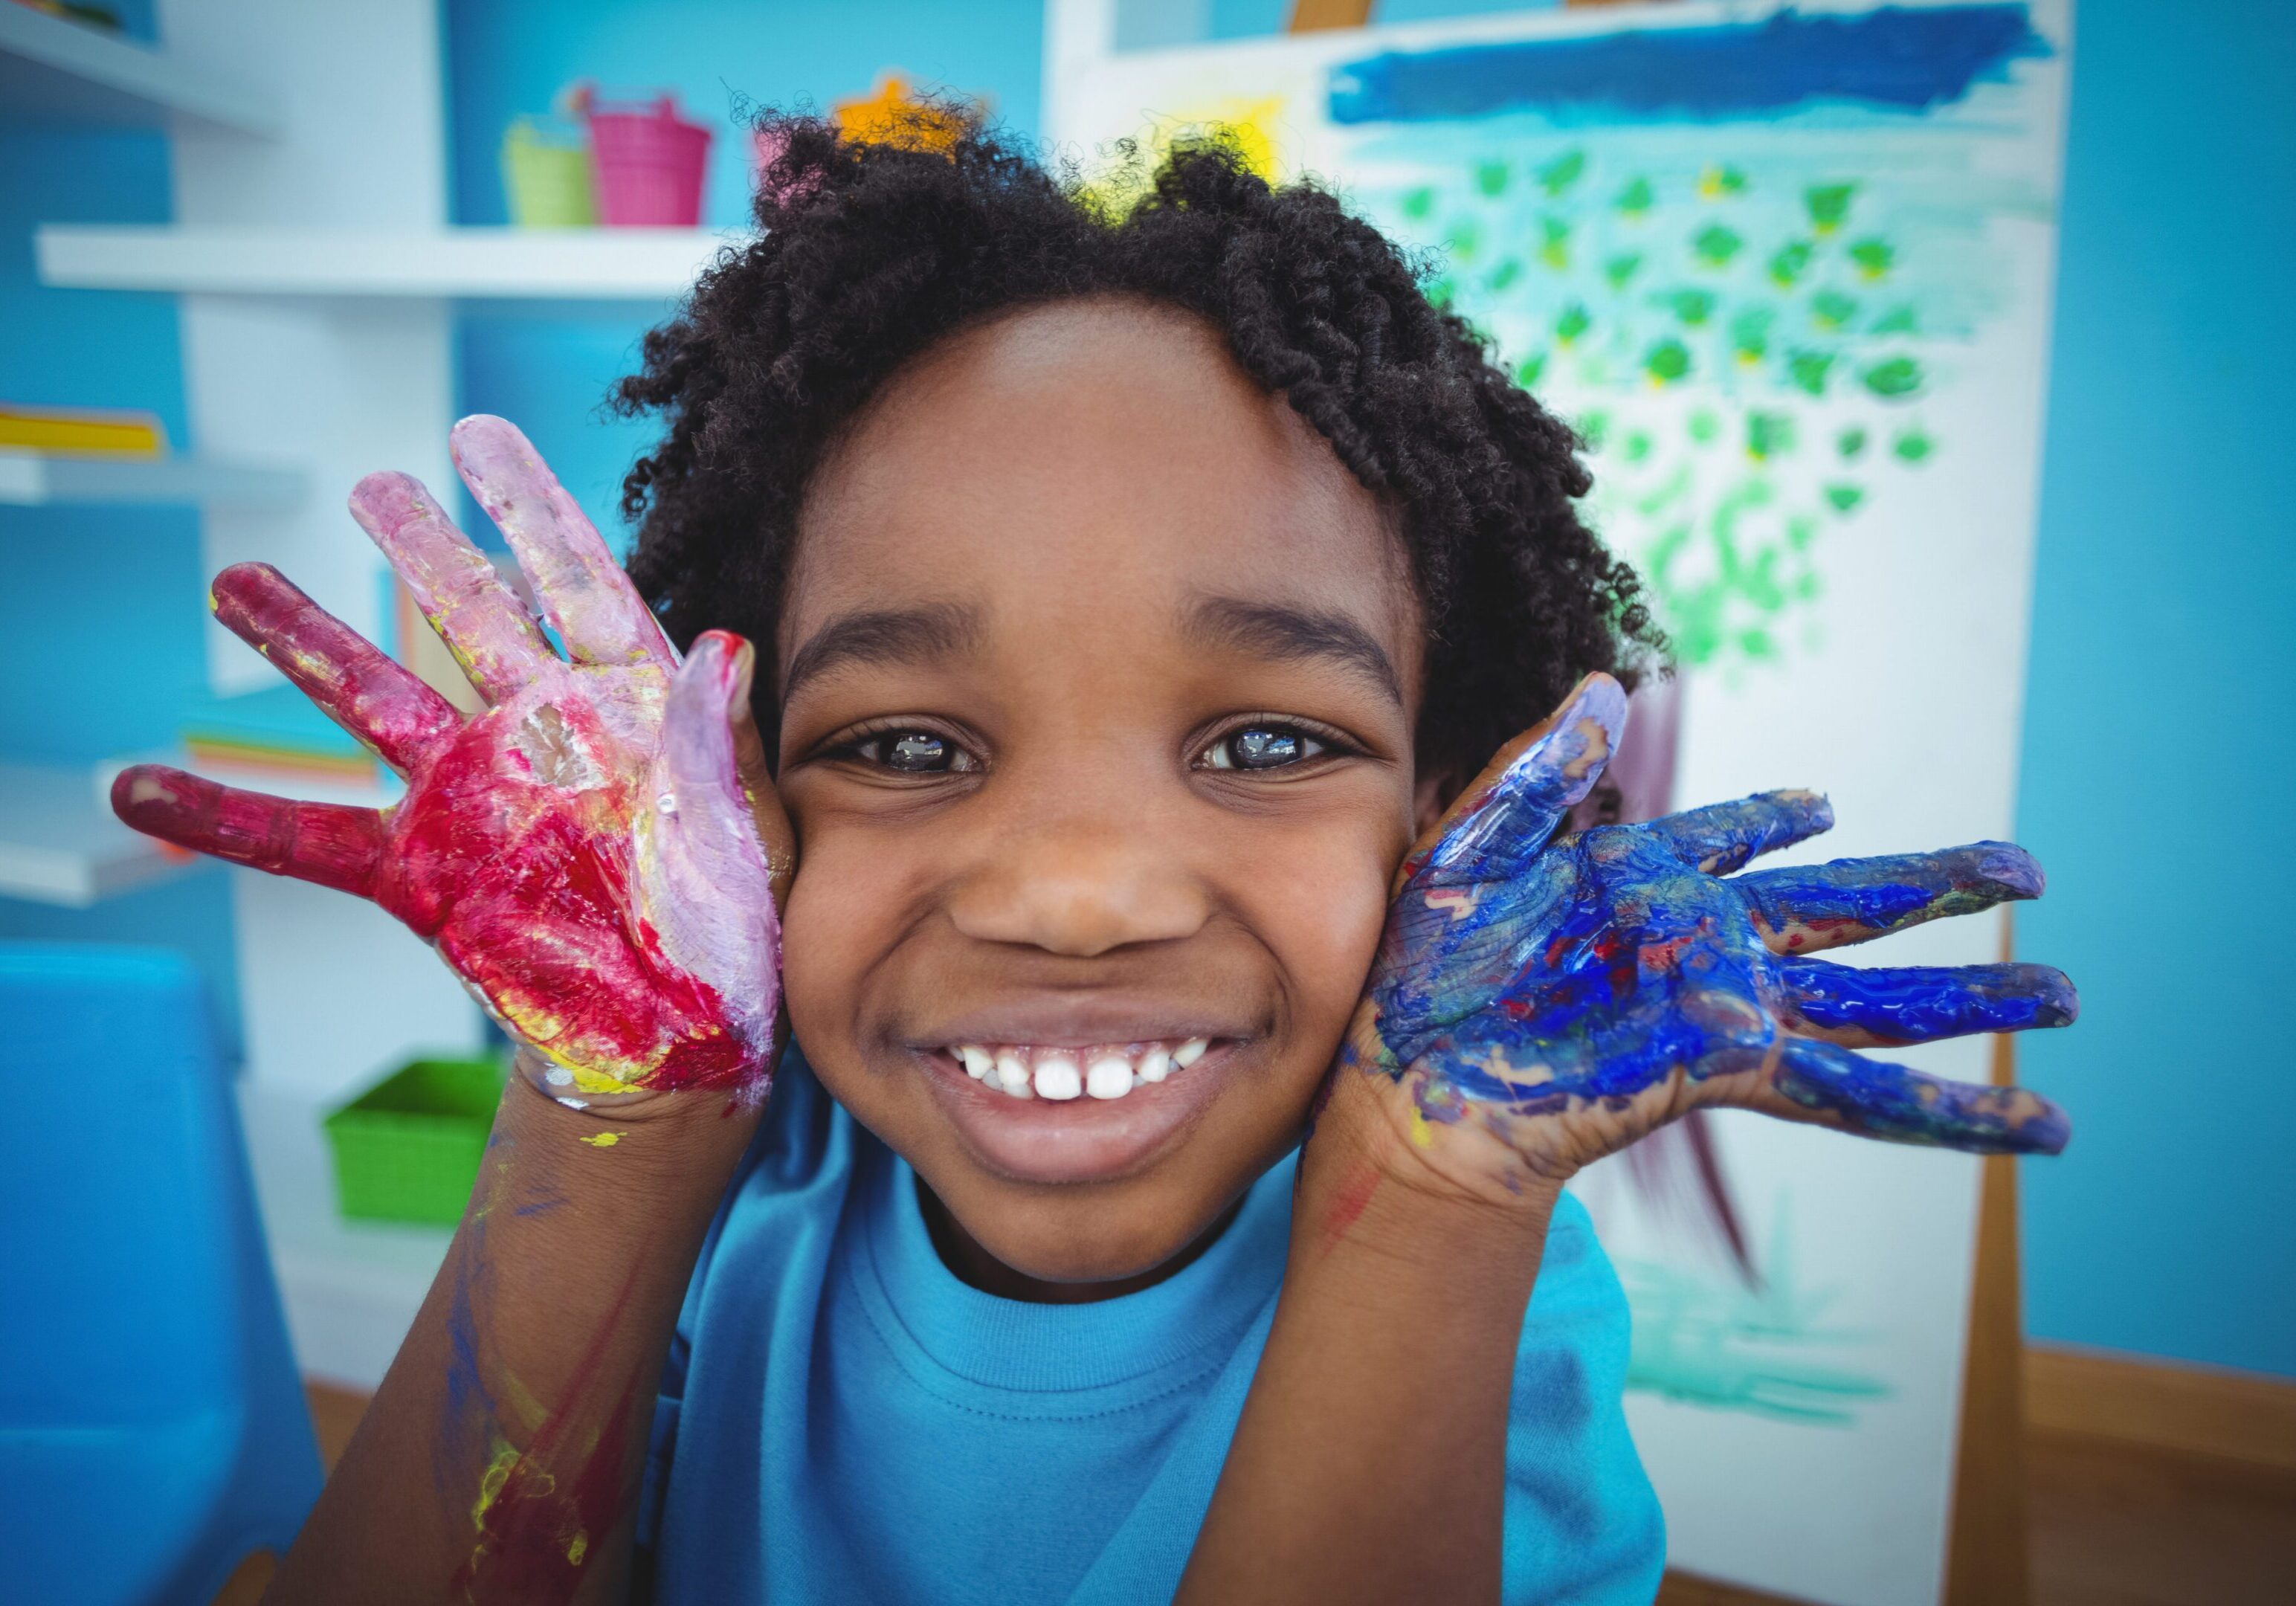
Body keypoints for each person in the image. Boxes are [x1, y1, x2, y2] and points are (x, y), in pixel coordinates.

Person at [112, 113, 2077, 1606]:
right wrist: (604, 1129)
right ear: (751, 809)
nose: (1076, 893)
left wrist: (1427, 1203)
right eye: (899, 746)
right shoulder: (743, 1179)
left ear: (1455, 808)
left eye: (1271, 741)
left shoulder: (1484, 1274)